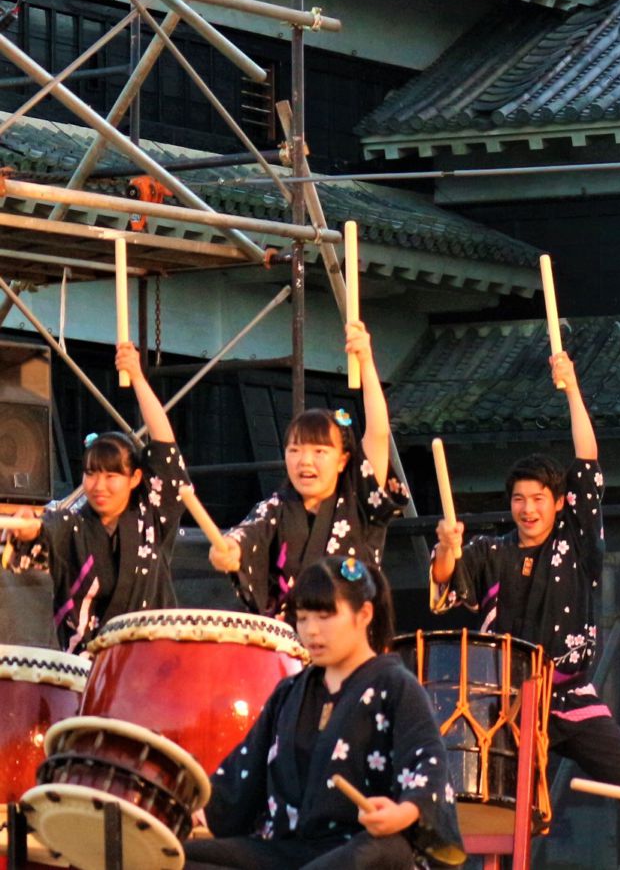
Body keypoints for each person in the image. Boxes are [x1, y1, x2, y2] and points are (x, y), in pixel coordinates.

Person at [429, 351, 620, 868]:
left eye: (539, 497)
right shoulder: (490, 552)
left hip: (570, 693)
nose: (528, 509)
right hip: (506, 707)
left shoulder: (578, 538)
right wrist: (448, 547)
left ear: (559, 501)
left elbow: (587, 459)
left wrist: (570, 387)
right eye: (519, 499)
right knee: (492, 810)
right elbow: (447, 586)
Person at [189, 558, 462, 869]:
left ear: (364, 615)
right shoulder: (289, 693)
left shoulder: (396, 686)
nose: (311, 631)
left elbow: (428, 762)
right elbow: (242, 774)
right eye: (303, 619)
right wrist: (192, 809)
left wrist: (403, 813)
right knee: (176, 857)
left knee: (380, 852)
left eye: (324, 616)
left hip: (357, 848)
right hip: (289, 851)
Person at [1, 342, 188, 650]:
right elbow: (46, 527)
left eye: (111, 475)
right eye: (91, 474)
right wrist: (28, 526)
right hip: (88, 672)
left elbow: (165, 444)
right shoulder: (74, 525)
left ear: (135, 478)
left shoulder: (152, 514)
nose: (98, 485)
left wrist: (138, 378)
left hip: (153, 661)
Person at [211, 322, 406, 616]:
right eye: (295, 450)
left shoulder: (360, 502)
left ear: (343, 460)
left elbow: (378, 433)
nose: (305, 461)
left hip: (352, 646)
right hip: (291, 649)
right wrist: (227, 551)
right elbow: (245, 537)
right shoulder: (275, 509)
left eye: (319, 451)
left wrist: (366, 360)